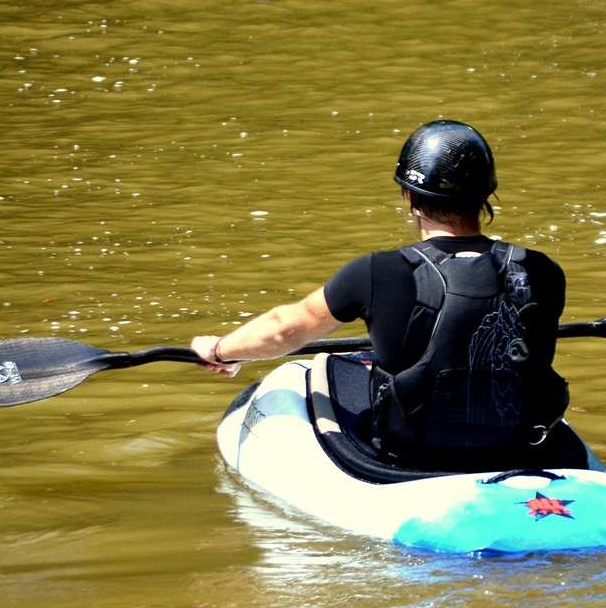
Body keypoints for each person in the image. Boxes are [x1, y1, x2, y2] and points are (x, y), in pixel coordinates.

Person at [191, 120, 570, 468]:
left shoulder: (378, 272)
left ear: (409, 196)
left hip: (413, 453)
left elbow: (284, 329)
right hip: (521, 447)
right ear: (487, 194)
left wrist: (222, 350)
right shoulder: (542, 271)